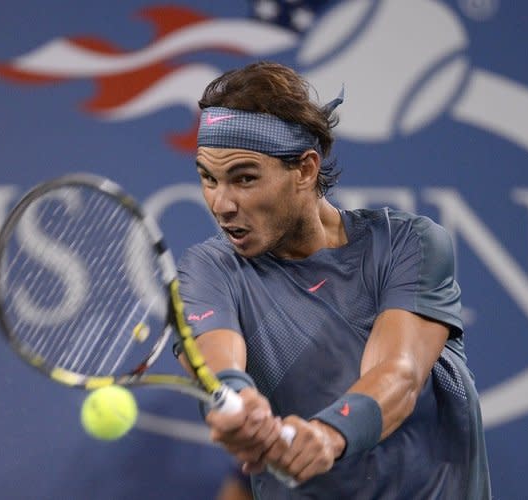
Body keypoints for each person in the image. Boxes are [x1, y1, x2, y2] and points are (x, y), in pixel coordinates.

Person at [175, 61, 491, 499]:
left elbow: (397, 375)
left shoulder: (407, 245)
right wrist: (235, 399)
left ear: (305, 170)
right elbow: (216, 361)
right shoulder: (209, 271)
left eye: (244, 178)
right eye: (208, 178)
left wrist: (328, 434)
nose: (221, 203)